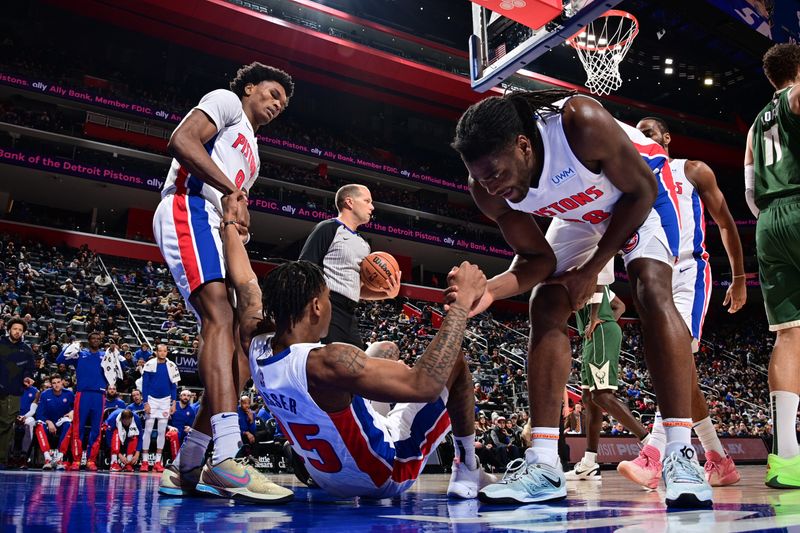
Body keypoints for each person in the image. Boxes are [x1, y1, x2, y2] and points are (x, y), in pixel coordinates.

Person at [450, 89, 711, 507]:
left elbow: (642, 193)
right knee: (546, 303)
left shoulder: (579, 122)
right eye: (481, 178)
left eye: (496, 174)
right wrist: (490, 291)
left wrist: (592, 271)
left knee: (650, 287)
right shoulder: (488, 189)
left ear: (523, 146)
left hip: (642, 192)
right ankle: (544, 463)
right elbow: (536, 260)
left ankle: (680, 453)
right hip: (582, 213)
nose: (491, 186)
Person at [221, 191, 494, 501]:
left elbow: (246, 285)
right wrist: (462, 304)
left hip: (326, 477)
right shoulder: (329, 361)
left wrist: (230, 223)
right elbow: (426, 385)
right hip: (384, 474)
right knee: (454, 360)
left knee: (382, 350)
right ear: (316, 307)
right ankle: (468, 465)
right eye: (327, 298)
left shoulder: (255, 342)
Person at [153, 61, 294, 499]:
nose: (276, 105)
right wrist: (231, 192)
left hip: (218, 227)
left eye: (283, 104)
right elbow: (181, 140)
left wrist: (241, 222)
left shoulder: (254, 156)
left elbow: (235, 203)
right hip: (188, 206)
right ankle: (228, 454)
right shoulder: (227, 100)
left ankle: (188, 465)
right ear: (250, 88)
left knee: (243, 346)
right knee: (216, 313)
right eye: (272, 94)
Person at [618, 116, 747, 489]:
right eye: (638, 135)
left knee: (676, 359)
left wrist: (739, 278)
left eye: (649, 133)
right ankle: (718, 459)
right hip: (652, 272)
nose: (643, 139)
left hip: (689, 271)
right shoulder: (629, 178)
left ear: (666, 138)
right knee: (680, 370)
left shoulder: (691, 170)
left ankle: (654, 455)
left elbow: (724, 221)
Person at [744, 43, 800, 489]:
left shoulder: (754, 125)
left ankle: (785, 459)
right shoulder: (794, 96)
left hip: (767, 222)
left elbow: (749, 191)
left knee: (788, 334)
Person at [566, 278, 648, 481]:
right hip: (594, 333)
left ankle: (651, 443)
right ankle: (589, 463)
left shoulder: (580, 269)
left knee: (601, 396)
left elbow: (598, 281)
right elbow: (619, 305)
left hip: (599, 330)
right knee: (588, 399)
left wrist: (599, 319)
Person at [299, 184, 400, 348]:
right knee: (330, 364)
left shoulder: (364, 245)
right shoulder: (328, 228)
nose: (372, 207)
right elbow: (303, 269)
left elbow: (358, 289)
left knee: (356, 368)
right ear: (349, 202)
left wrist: (387, 294)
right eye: (367, 201)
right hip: (326, 305)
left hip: (350, 312)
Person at [56, 332, 108, 471]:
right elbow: (60, 359)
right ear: (88, 340)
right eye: (93, 338)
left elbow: (121, 368)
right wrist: (72, 345)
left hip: (99, 395)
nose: (96, 340)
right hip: (82, 394)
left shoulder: (106, 355)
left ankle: (91, 460)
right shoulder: (80, 354)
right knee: (78, 428)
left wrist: (115, 352)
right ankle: (76, 459)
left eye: (98, 338)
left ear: (101, 341)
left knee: (96, 429)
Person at [0, 318, 36, 468]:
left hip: (14, 392)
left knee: (7, 425)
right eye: (15, 329)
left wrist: (28, 377)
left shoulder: (26, 350)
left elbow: (29, 370)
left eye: (20, 330)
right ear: (9, 329)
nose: (17, 332)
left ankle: (1, 459)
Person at [141, 344, 179, 473]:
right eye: (160, 351)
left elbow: (174, 386)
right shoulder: (149, 364)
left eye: (165, 351)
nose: (163, 353)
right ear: (156, 352)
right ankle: (145, 462)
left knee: (162, 431)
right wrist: (145, 402)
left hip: (165, 400)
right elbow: (144, 385)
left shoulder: (172, 366)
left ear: (167, 352)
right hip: (151, 399)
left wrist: (173, 403)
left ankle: (158, 462)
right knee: (148, 430)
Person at [34, 374, 74, 470]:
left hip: (62, 423)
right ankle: (47, 458)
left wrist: (72, 412)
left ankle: (59, 458)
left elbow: (76, 408)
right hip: (48, 424)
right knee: (39, 425)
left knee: (69, 425)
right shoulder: (45, 394)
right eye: (54, 383)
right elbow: (39, 414)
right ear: (51, 384)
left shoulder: (69, 394)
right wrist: (48, 421)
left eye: (58, 382)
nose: (56, 385)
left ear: (62, 382)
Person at [14, 376, 40, 468]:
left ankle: (24, 455)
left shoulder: (36, 392)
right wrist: (15, 416)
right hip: (13, 415)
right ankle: (9, 456)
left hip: (27, 416)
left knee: (30, 423)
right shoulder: (13, 388)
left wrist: (24, 417)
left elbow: (33, 410)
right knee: (8, 424)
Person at [106, 408, 142, 473]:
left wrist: (137, 453)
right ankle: (114, 463)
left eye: (128, 421)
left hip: (128, 435)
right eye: (124, 421)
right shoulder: (112, 419)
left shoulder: (137, 419)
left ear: (131, 419)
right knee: (116, 433)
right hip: (115, 434)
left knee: (134, 435)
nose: (126, 423)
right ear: (121, 419)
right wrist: (119, 455)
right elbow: (109, 439)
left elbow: (140, 436)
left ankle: (128, 463)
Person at [166, 389, 197, 459]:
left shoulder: (191, 411)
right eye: (184, 395)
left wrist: (189, 428)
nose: (186, 397)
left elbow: (192, 426)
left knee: (192, 436)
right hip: (170, 430)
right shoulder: (172, 406)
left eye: (188, 396)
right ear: (180, 396)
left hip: (183, 431)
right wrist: (170, 427)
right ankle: (175, 460)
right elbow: (163, 422)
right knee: (174, 435)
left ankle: (187, 461)